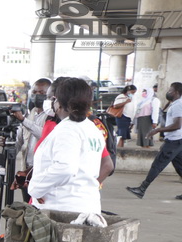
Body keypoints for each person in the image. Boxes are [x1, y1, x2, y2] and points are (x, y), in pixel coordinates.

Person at [28, 78, 106, 214]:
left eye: (52, 98)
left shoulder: (68, 130)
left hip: (62, 209)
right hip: (85, 205)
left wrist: (36, 188)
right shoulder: (90, 128)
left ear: (58, 103)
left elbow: (65, 167)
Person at [125, 82, 182, 199]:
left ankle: (142, 189)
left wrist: (157, 130)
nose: (168, 92)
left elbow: (177, 125)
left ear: (176, 92)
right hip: (178, 140)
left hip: (174, 141)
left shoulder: (177, 105)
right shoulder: (177, 103)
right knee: (180, 167)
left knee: (157, 164)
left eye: (170, 90)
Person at [13, 78, 53, 202]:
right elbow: (21, 140)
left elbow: (44, 135)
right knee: (27, 206)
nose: (37, 96)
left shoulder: (51, 116)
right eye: (35, 92)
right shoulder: (31, 114)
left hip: (42, 172)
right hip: (27, 170)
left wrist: (24, 121)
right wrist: (8, 147)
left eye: (41, 93)